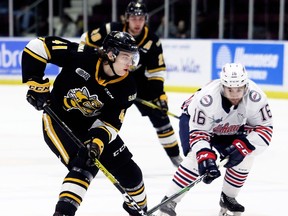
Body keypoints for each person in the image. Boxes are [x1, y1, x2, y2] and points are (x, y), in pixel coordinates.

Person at [22, 31, 148, 216]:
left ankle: (139, 211)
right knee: (84, 165)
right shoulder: (81, 55)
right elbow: (37, 46)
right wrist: (36, 86)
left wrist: (96, 142)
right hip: (58, 120)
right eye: (126, 57)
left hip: (92, 126)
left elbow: (111, 124)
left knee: (131, 174)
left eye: (133, 57)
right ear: (111, 54)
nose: (131, 63)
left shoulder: (127, 87)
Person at [157, 63, 273, 216]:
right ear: (222, 86)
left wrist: (244, 145)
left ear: (246, 86)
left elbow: (265, 129)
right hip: (195, 123)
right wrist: (205, 155)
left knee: (245, 156)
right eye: (230, 90)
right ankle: (170, 201)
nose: (235, 95)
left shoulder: (256, 97)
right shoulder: (207, 99)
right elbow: (199, 132)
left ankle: (228, 198)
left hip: (232, 125)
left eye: (239, 89)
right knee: (195, 159)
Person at [80, 1, 183, 167]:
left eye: (141, 18)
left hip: (139, 84)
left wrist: (159, 96)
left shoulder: (152, 40)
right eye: (134, 18)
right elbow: (85, 40)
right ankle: (93, 151)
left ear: (146, 19)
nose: (137, 22)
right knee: (100, 116)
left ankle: (176, 157)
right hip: (111, 80)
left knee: (161, 116)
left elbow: (156, 71)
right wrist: (93, 59)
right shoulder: (111, 29)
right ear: (126, 18)